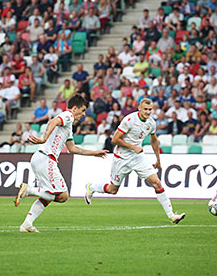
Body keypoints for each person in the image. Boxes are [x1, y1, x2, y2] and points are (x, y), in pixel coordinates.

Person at [14, 95, 108, 233]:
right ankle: (29, 190)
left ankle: (27, 224)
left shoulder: (68, 126)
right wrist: (43, 139)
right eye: (82, 111)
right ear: (74, 108)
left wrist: (94, 153)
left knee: (48, 196)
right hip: (47, 159)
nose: (83, 115)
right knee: (63, 196)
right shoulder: (68, 115)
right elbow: (52, 122)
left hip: (39, 158)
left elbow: (73, 149)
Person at [84, 99, 186, 224]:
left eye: (150, 110)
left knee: (157, 183)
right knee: (113, 190)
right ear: (139, 108)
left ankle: (172, 216)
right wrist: (133, 147)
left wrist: (158, 159)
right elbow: (115, 139)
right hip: (122, 157)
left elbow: (154, 140)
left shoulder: (151, 123)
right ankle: (92, 187)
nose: (148, 112)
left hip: (138, 157)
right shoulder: (129, 120)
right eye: (145, 109)